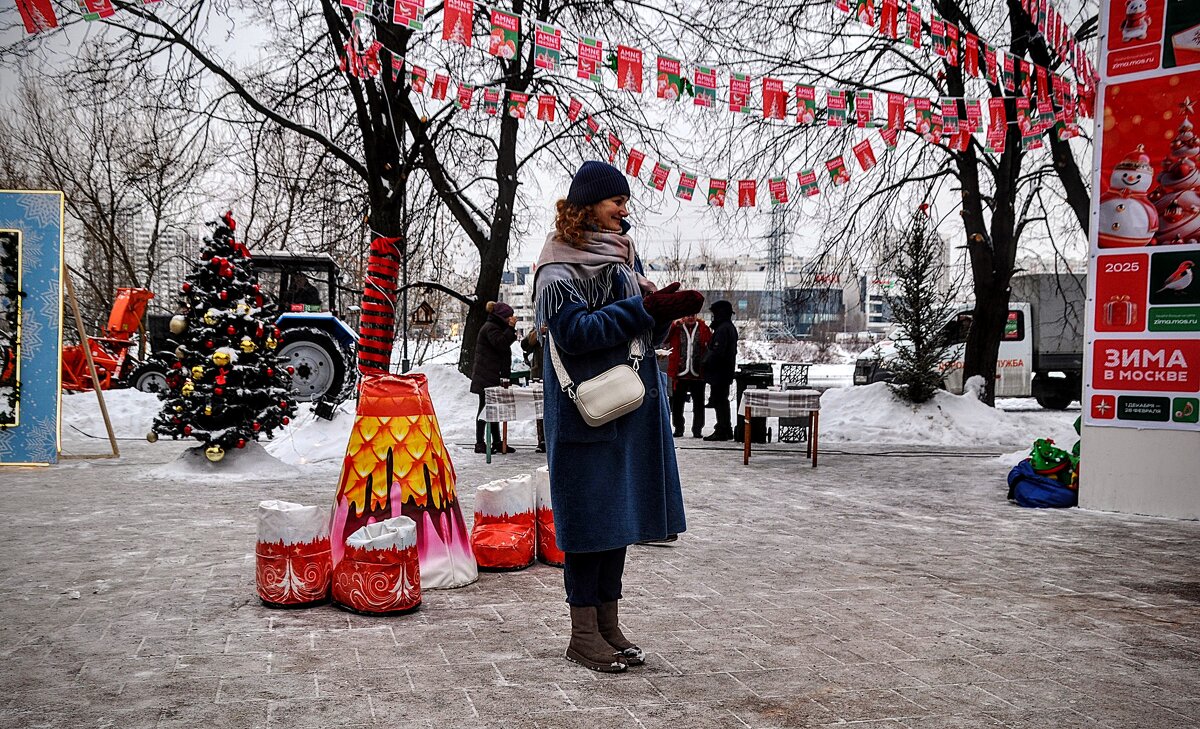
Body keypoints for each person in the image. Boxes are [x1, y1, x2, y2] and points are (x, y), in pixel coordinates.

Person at [534, 160, 703, 673]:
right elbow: (576, 334)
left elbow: (635, 335)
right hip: (586, 412)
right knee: (590, 526)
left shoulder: (624, 258)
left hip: (626, 410)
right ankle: (582, 634)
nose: (624, 209)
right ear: (588, 204)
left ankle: (607, 625)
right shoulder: (558, 266)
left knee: (617, 521)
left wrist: (661, 310)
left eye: (625, 200)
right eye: (616, 201)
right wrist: (644, 311)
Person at [470, 300, 518, 454]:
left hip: (491, 374)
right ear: (503, 317)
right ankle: (480, 442)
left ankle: (497, 441)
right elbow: (501, 344)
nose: (512, 318)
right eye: (510, 316)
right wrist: (510, 329)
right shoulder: (491, 328)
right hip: (486, 375)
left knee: (494, 408)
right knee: (485, 408)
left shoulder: (495, 327)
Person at [666, 314, 711, 438]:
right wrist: (674, 325)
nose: (690, 317)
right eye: (687, 315)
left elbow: (709, 344)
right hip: (679, 373)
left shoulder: (703, 328)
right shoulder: (676, 328)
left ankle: (697, 429)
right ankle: (678, 428)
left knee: (699, 404)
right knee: (677, 404)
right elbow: (665, 338)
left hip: (698, 373)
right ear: (683, 317)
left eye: (693, 315)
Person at [703, 299, 738, 442]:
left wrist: (706, 362)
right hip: (723, 371)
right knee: (721, 401)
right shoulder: (727, 327)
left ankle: (723, 429)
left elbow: (718, 352)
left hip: (720, 372)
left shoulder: (723, 329)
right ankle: (725, 428)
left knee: (720, 402)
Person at [520, 326, 548, 453]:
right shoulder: (539, 324)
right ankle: (542, 440)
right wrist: (538, 332)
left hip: (557, 372)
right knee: (540, 408)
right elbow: (525, 344)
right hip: (540, 373)